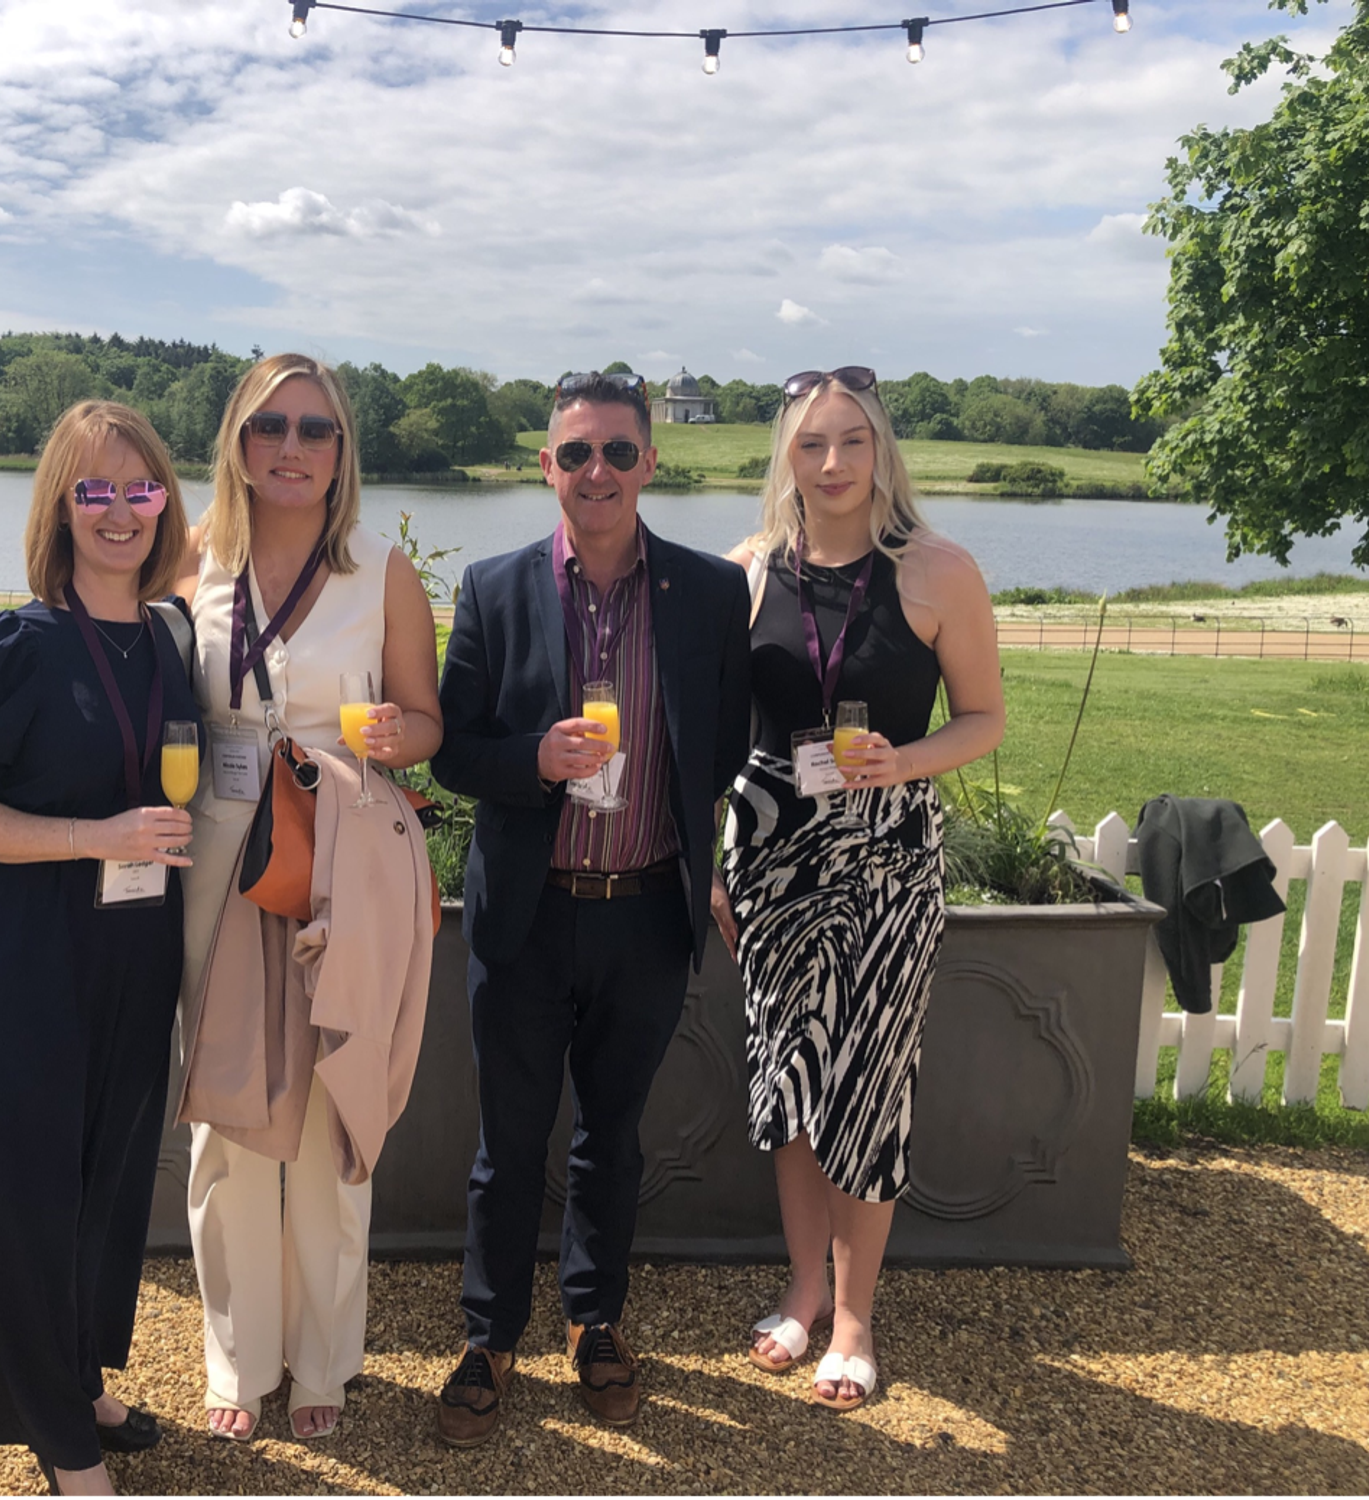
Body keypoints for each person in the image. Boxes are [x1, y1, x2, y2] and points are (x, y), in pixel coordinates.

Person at [429, 371, 752, 1446]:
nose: (596, 472)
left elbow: (716, 748)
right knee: (507, 1141)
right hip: (528, 913)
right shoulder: (492, 588)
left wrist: (702, 862)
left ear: (648, 463)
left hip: (645, 911)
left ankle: (593, 1319)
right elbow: (454, 748)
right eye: (575, 454)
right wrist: (532, 758)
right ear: (546, 467)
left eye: (617, 451)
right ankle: (488, 1332)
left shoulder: (709, 594)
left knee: (611, 1138)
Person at [713, 366, 1003, 1410]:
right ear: (783, 458)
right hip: (771, 853)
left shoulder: (937, 571)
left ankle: (852, 1318)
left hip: (885, 855)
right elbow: (715, 734)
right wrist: (717, 855)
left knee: (867, 1088)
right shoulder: (743, 572)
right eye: (808, 445)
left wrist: (905, 762)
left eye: (849, 442)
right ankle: (799, 1291)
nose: (830, 464)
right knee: (789, 1086)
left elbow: (982, 718)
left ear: (879, 450)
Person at [0, 400, 197, 1497]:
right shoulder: (18, 640)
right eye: (94, 489)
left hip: (136, 951)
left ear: (165, 499)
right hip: (33, 956)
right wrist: (97, 837)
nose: (120, 511)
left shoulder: (172, 635)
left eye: (140, 488)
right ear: (60, 505)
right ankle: (55, 1432)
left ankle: (78, 1376)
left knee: (107, 1182)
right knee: (31, 1193)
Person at [174, 354, 443, 1442]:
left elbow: (427, 723)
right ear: (238, 442)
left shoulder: (380, 572)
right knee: (229, 1111)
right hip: (222, 854)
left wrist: (396, 733)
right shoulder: (190, 554)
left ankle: (325, 1359)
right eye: (269, 426)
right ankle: (238, 1365)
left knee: (336, 1103)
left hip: (344, 850)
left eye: (316, 430)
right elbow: (98, 647)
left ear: (342, 453)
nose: (291, 447)